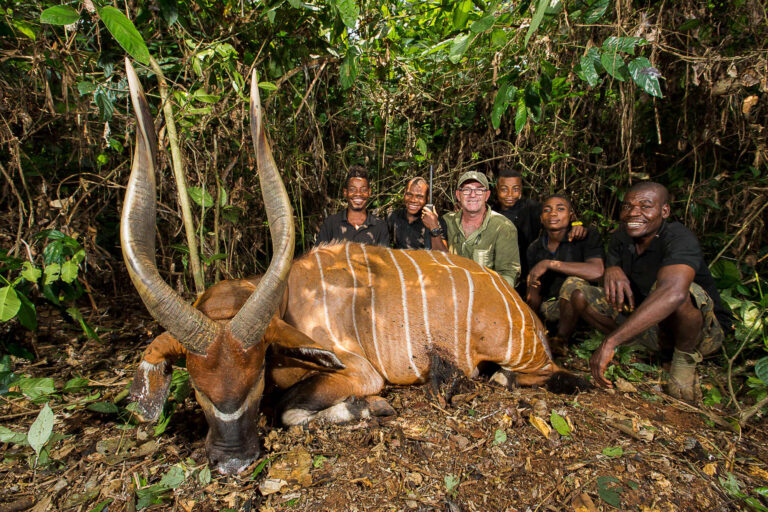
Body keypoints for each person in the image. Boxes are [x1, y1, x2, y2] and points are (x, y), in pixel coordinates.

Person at [570, 182, 732, 401]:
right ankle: (641, 346)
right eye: (627, 206)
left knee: (679, 291)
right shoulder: (622, 236)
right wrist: (612, 268)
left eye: (645, 206)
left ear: (664, 211)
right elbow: (611, 262)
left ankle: (683, 360)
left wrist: (610, 342)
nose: (634, 213)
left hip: (701, 332)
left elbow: (673, 293)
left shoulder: (679, 238)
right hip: (652, 325)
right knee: (579, 294)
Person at [525, 194, 605, 354]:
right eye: (547, 210)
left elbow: (597, 271)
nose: (553, 213)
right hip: (554, 310)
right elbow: (534, 293)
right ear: (541, 218)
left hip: (587, 305)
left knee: (573, 283)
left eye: (560, 209)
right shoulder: (535, 248)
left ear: (571, 216)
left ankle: (561, 340)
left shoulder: (586, 236)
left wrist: (550, 264)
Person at [495, 168, 588, 294]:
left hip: (527, 268)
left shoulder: (531, 207)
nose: (510, 194)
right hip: (499, 270)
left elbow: (559, 218)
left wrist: (577, 225)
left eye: (515, 189)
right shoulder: (491, 210)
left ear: (521, 190)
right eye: (504, 189)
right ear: (497, 189)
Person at [443, 171, 520, 287]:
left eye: (479, 190)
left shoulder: (503, 227)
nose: (473, 195)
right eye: (467, 190)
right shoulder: (446, 221)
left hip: (487, 294)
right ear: (458, 195)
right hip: (452, 291)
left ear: (487, 195)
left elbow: (509, 274)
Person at [317, 166, 390, 246]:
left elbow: (383, 257)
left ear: (369, 192)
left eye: (363, 190)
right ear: (345, 192)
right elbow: (320, 256)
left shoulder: (380, 226)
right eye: (352, 189)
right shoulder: (331, 223)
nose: (358, 194)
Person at [387, 177, 447, 251]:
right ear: (404, 194)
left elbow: (444, 256)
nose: (413, 200)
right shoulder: (394, 217)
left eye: (419, 196)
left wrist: (433, 227)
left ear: (427, 198)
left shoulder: (436, 221)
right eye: (409, 194)